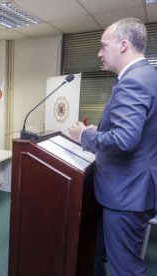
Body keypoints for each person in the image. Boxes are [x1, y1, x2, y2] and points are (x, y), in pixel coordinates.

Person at [68, 18, 157, 276]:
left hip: (127, 193)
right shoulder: (149, 74)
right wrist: (103, 131)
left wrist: (83, 135)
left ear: (123, 45)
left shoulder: (133, 81)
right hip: (136, 187)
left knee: (125, 267)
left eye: (103, 46)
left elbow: (124, 141)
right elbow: (142, 131)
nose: (99, 53)